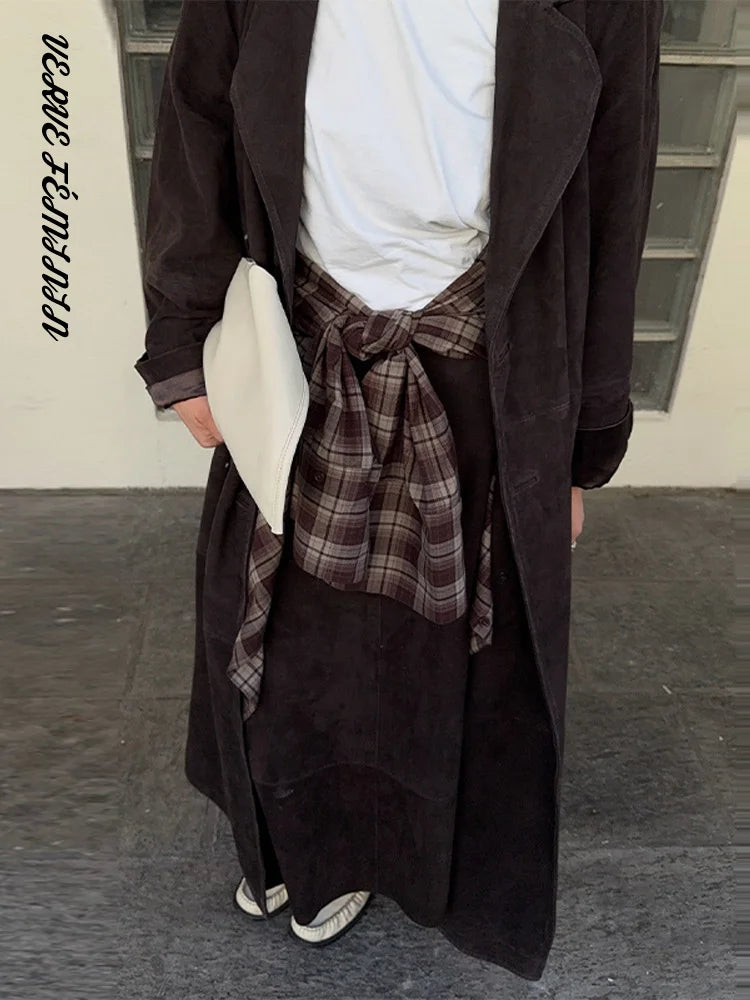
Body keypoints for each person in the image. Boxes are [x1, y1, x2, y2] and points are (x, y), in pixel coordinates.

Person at [133, 0, 662, 981]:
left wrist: (580, 443)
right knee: (283, 631)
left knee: (426, 659)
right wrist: (181, 337)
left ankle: (375, 852)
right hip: (299, 337)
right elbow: (197, 115)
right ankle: (288, 838)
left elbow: (617, 180)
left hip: (483, 363)